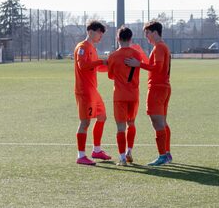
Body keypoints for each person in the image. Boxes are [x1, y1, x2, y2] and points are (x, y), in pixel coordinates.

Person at [125, 21, 172, 166]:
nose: (146, 36)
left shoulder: (159, 48)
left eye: (147, 32)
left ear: (155, 32)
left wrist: (138, 64)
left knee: (157, 122)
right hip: (164, 87)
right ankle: (167, 154)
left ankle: (162, 155)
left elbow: (157, 68)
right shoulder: (162, 47)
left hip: (157, 88)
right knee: (162, 122)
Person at [73, 20, 112, 165]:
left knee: (102, 117)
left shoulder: (92, 48)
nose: (101, 36)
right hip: (84, 91)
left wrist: (110, 66)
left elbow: (95, 67)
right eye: (99, 32)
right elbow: (83, 65)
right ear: (90, 32)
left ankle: (96, 150)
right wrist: (101, 62)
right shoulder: (82, 47)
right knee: (85, 122)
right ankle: (81, 155)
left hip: (93, 90)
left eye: (102, 33)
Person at [107, 26, 143, 166]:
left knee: (120, 127)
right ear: (131, 38)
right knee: (131, 123)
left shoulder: (113, 56)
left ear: (118, 38)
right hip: (133, 94)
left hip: (120, 95)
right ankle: (129, 151)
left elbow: (110, 76)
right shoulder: (137, 54)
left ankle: (122, 158)